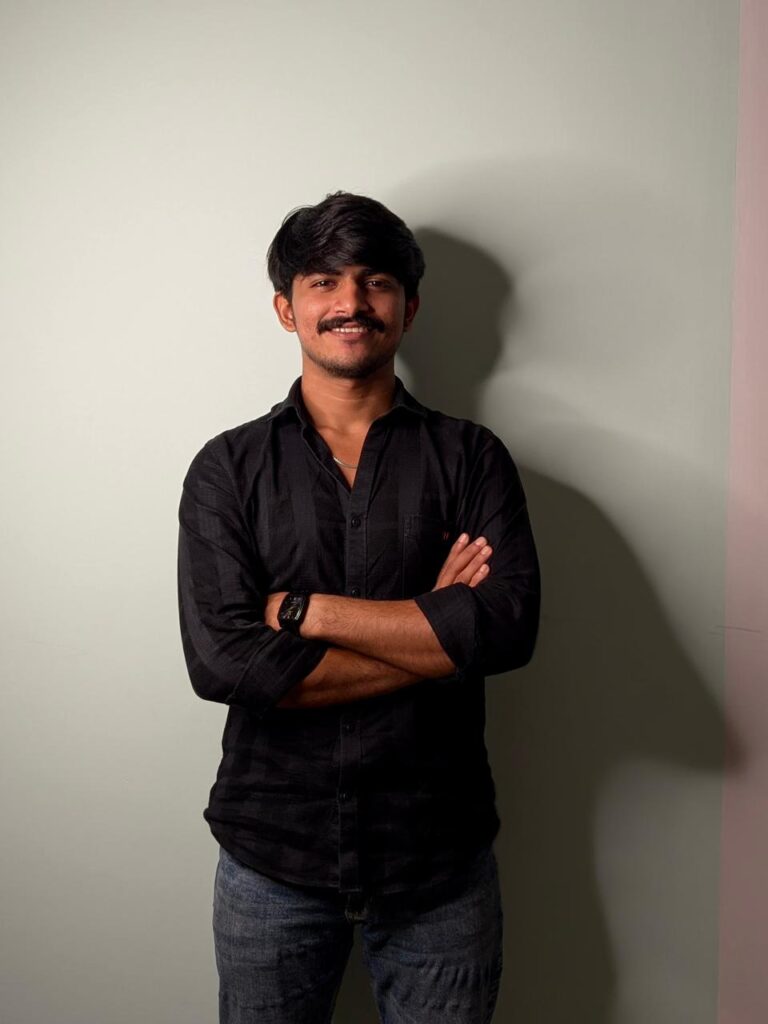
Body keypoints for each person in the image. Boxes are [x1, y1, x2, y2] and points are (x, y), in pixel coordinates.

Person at [177, 191, 540, 1024]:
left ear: (409, 307)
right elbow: (225, 665)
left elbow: (506, 630)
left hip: (439, 864)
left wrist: (302, 611)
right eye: (323, 282)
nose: (349, 303)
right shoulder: (227, 470)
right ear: (285, 308)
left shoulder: (473, 458)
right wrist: (437, 626)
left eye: (374, 282)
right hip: (271, 859)